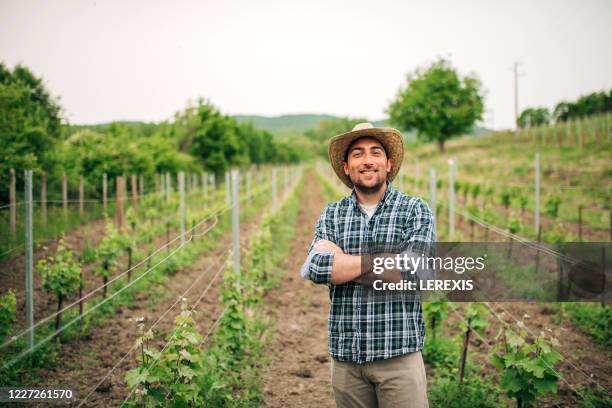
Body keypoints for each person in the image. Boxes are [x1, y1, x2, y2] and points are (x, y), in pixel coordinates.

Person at [301, 122, 435, 408]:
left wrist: (345, 261)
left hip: (398, 356)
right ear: (347, 167)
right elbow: (315, 268)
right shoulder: (332, 214)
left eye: (375, 152)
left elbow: (414, 271)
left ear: (388, 163)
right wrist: (386, 260)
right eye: (358, 154)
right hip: (347, 362)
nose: (367, 160)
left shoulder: (414, 209)